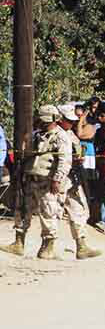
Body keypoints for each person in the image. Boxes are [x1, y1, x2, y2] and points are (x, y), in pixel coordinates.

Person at [0, 106, 72, 259]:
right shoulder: (37, 134)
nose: (41, 123)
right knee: (22, 210)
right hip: (30, 179)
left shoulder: (61, 137)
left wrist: (57, 180)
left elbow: (65, 161)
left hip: (47, 181)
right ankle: (18, 243)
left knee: (48, 212)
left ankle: (48, 247)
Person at [55, 105, 102, 259]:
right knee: (52, 213)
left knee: (78, 210)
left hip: (72, 178)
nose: (71, 123)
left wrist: (78, 158)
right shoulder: (55, 134)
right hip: (58, 179)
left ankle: (81, 246)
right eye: (69, 120)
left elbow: (76, 149)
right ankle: (45, 246)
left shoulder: (70, 134)